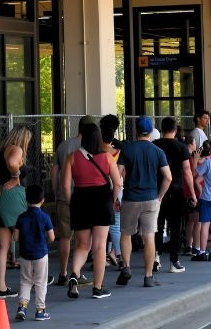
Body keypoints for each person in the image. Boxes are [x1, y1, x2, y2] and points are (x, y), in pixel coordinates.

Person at [63, 122, 121, 299]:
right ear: (99, 137)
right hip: (102, 199)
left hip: (80, 199)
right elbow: (117, 183)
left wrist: (72, 202)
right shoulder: (108, 158)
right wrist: (112, 199)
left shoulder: (72, 157)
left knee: (82, 245)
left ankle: (74, 274)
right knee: (99, 246)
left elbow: (65, 185)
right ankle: (97, 287)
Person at [117, 116, 171, 288]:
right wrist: (160, 196)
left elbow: (118, 175)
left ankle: (126, 266)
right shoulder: (158, 151)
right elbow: (168, 177)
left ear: (136, 130)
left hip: (130, 198)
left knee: (126, 234)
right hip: (151, 199)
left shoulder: (127, 149)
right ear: (151, 130)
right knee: (149, 237)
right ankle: (148, 276)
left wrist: (116, 195)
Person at [0, 126, 32, 299]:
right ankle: (35, 276)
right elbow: (13, 163)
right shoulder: (16, 149)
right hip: (11, 196)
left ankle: (1, 287)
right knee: (26, 237)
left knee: (1, 247)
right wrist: (15, 177)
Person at [51, 115, 96, 286]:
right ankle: (76, 273)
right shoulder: (92, 146)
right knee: (83, 240)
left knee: (64, 236)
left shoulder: (64, 145)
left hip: (64, 197)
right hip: (85, 197)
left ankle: (62, 273)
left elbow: (55, 172)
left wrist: (56, 192)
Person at [153, 117, 196, 273]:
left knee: (157, 225)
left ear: (161, 128)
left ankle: (155, 258)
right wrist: (192, 193)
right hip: (176, 190)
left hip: (158, 191)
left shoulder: (154, 145)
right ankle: (174, 261)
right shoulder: (181, 147)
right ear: (175, 130)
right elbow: (187, 171)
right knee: (176, 226)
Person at [13, 185, 55, 321]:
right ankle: (40, 311)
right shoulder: (45, 217)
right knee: (40, 282)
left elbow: (15, 237)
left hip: (25, 254)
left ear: (26, 199)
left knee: (25, 281)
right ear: (42, 200)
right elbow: (52, 237)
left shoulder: (21, 217)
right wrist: (44, 243)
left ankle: (22, 307)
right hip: (41, 254)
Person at [100, 114, 124, 269]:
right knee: (115, 225)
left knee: (100, 226)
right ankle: (120, 256)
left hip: (98, 190)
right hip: (116, 188)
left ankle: (101, 256)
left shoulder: (94, 150)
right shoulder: (119, 150)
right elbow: (121, 174)